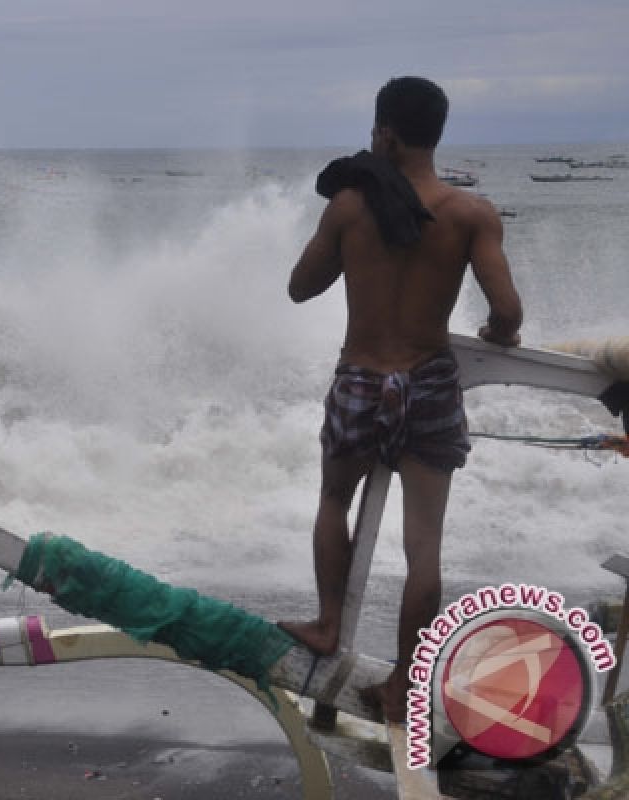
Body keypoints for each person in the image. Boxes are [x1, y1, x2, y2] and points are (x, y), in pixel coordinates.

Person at [277, 77, 523, 723]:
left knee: (335, 500)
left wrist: (349, 236)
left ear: (385, 134)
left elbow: (300, 288)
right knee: (424, 546)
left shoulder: (351, 206)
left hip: (361, 378)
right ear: (435, 134)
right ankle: (402, 689)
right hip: (431, 382)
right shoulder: (472, 214)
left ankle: (329, 624)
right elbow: (507, 312)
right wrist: (500, 337)